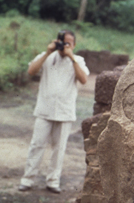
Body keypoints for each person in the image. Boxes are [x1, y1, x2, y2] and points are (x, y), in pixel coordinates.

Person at [18, 30, 89, 194]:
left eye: (68, 43)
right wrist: (48, 51)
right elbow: (31, 71)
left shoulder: (78, 60)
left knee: (59, 148)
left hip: (65, 111)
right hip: (45, 109)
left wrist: (71, 57)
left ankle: (53, 181)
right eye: (62, 42)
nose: (64, 45)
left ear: (74, 45)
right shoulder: (47, 56)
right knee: (37, 145)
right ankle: (27, 179)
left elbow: (84, 79)